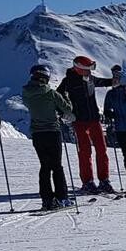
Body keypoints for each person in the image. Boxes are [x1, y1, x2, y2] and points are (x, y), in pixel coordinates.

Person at [57, 55, 115, 194]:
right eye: (87, 69)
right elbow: (58, 96)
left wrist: (114, 82)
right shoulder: (68, 81)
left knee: (102, 149)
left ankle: (104, 180)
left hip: (94, 119)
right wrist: (65, 112)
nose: (90, 71)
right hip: (79, 121)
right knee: (85, 151)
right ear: (78, 68)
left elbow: (101, 81)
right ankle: (87, 182)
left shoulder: (89, 78)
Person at [23, 64, 75, 210]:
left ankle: (47, 200)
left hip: (37, 133)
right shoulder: (51, 93)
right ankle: (62, 198)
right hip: (52, 131)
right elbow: (68, 109)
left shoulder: (26, 94)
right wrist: (66, 97)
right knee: (57, 166)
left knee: (45, 166)